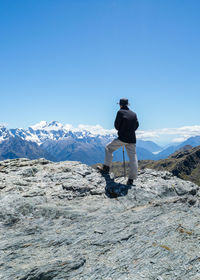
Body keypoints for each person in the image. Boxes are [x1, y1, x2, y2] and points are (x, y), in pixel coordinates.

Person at [98, 98, 139, 185]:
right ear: (128, 105)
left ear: (120, 105)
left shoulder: (120, 112)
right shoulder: (134, 114)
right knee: (133, 158)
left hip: (122, 138)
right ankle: (131, 179)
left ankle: (106, 168)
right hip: (132, 139)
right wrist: (130, 131)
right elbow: (136, 125)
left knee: (108, 148)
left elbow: (116, 126)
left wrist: (123, 130)